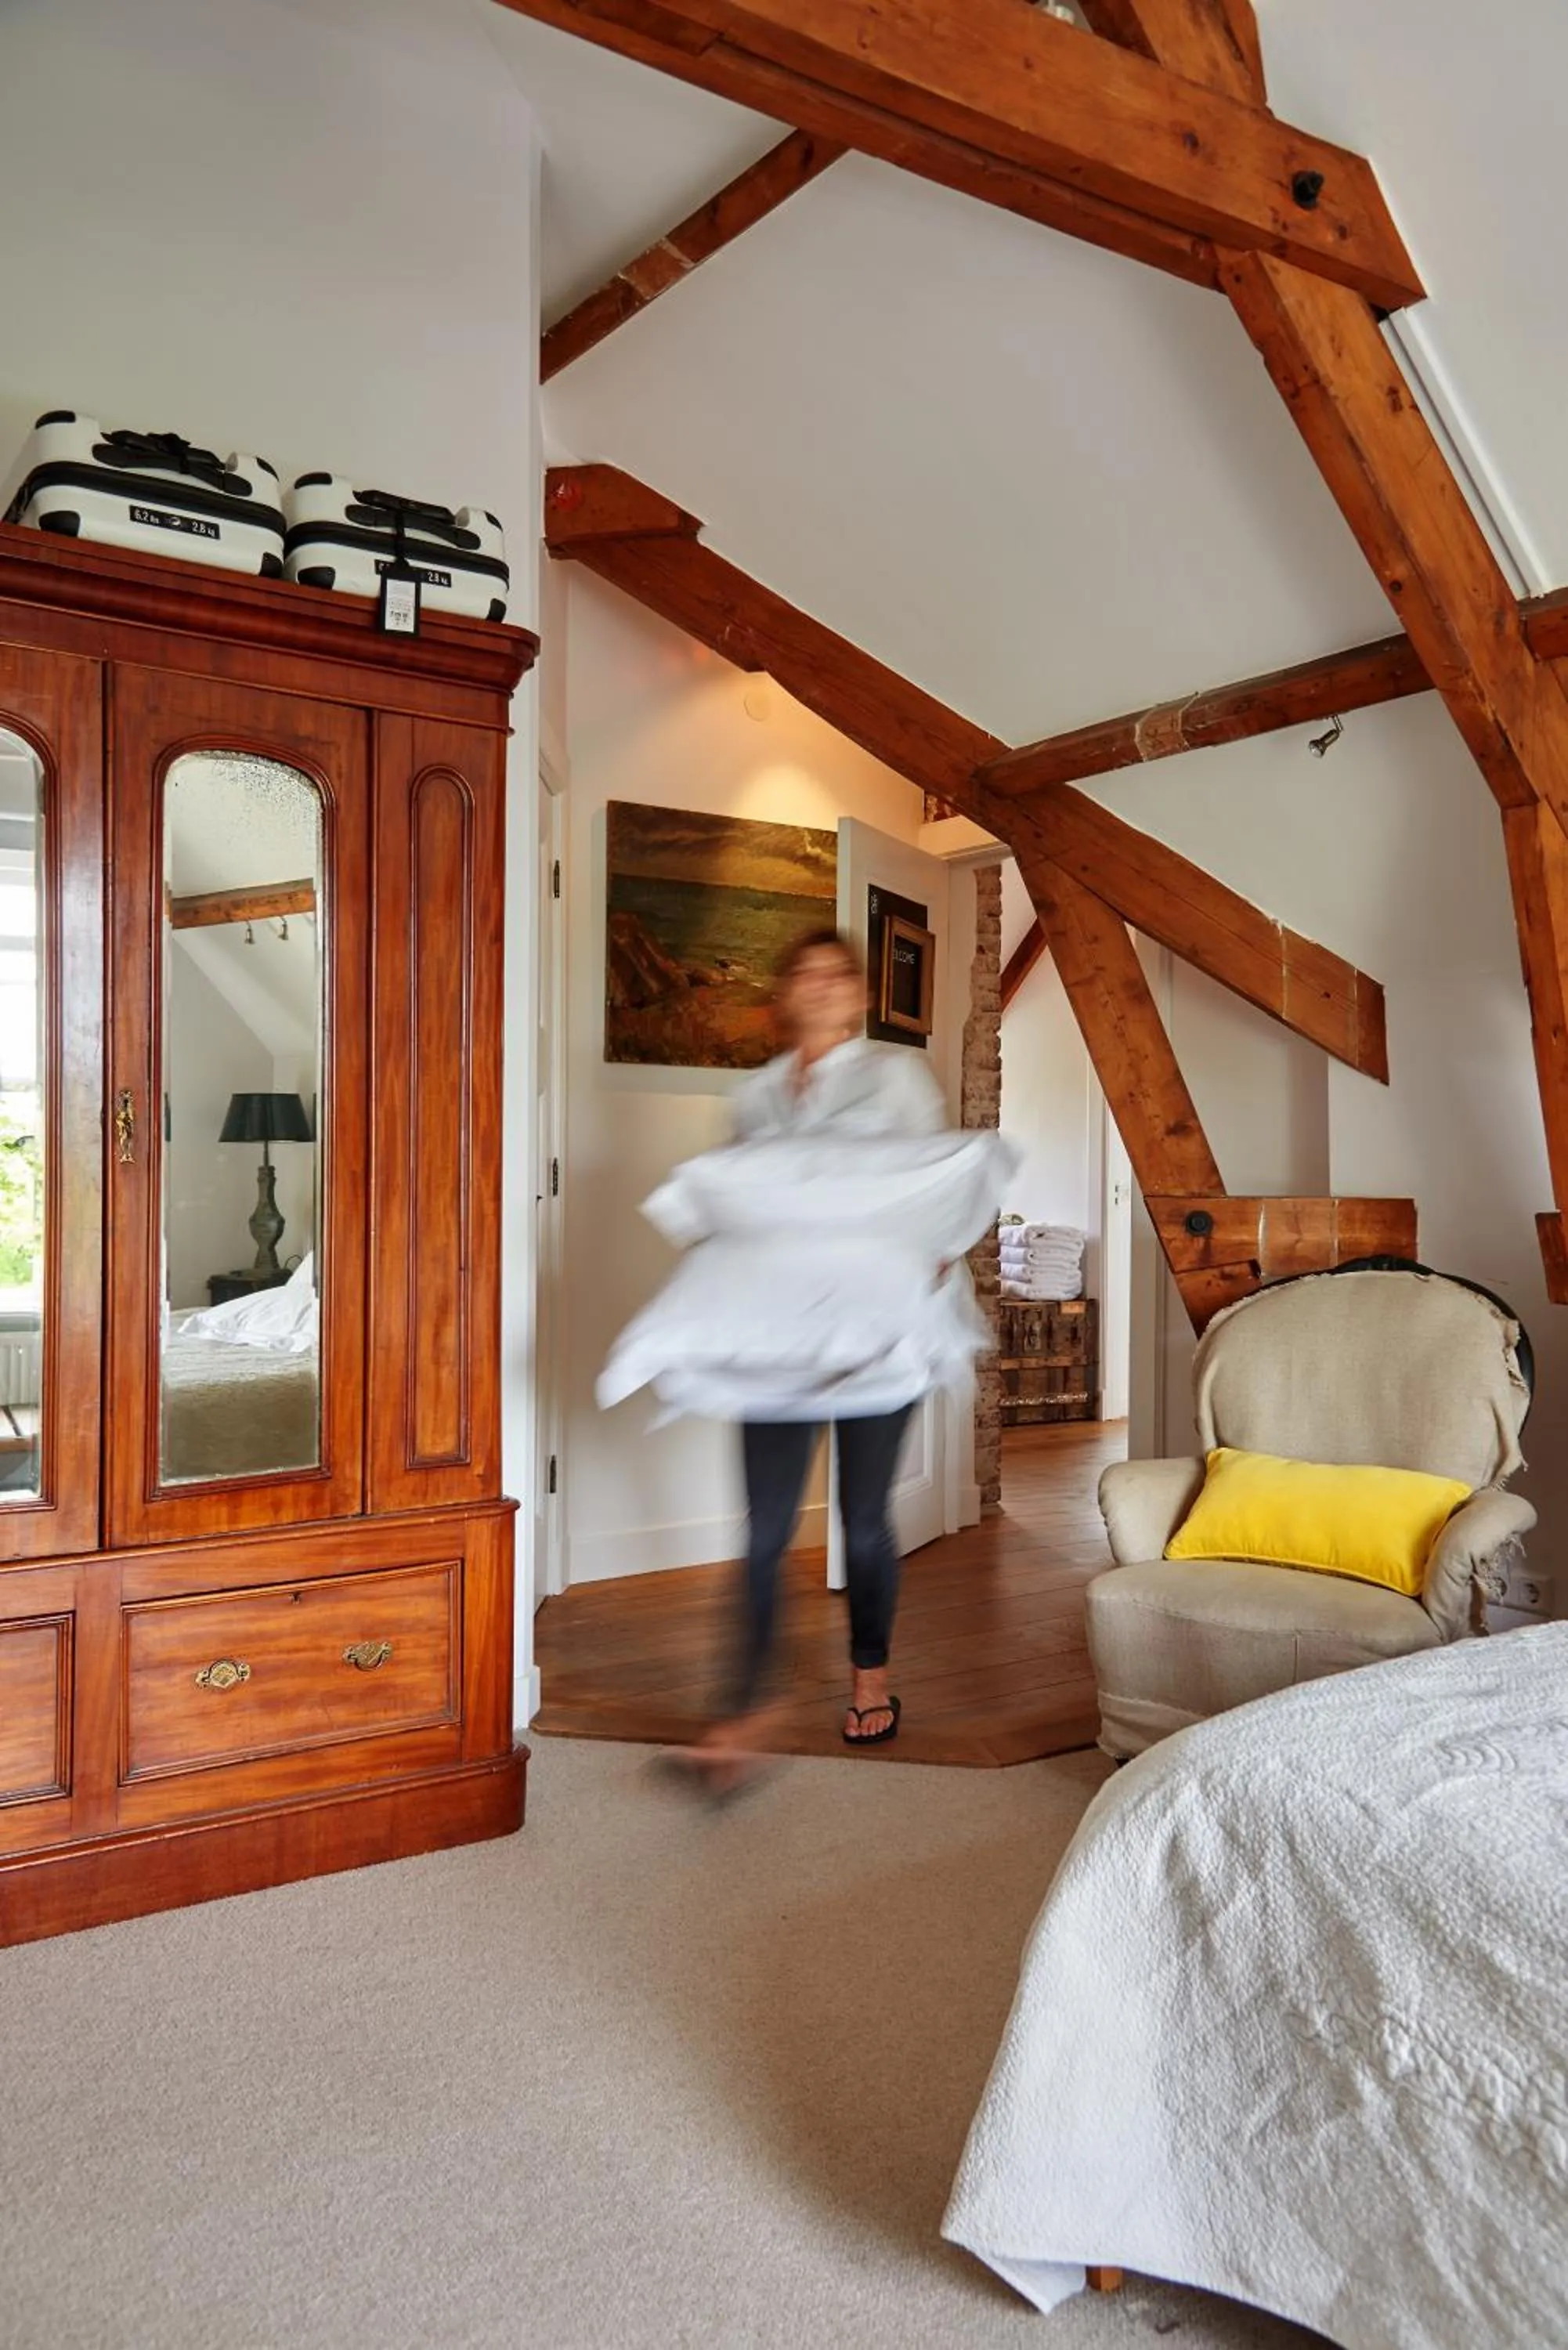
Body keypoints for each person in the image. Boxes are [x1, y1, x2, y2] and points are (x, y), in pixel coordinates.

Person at [694, 927, 951, 1788]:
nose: (819, 986)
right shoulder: (754, 1097)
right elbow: (739, 1211)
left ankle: (870, 1678)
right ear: (784, 995)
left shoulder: (895, 1078)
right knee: (764, 1528)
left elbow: (939, 1193)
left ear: (857, 994)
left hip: (875, 1334)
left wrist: (911, 1276)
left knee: (861, 1518)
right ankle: (742, 1712)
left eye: (835, 974)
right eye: (802, 973)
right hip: (777, 1338)